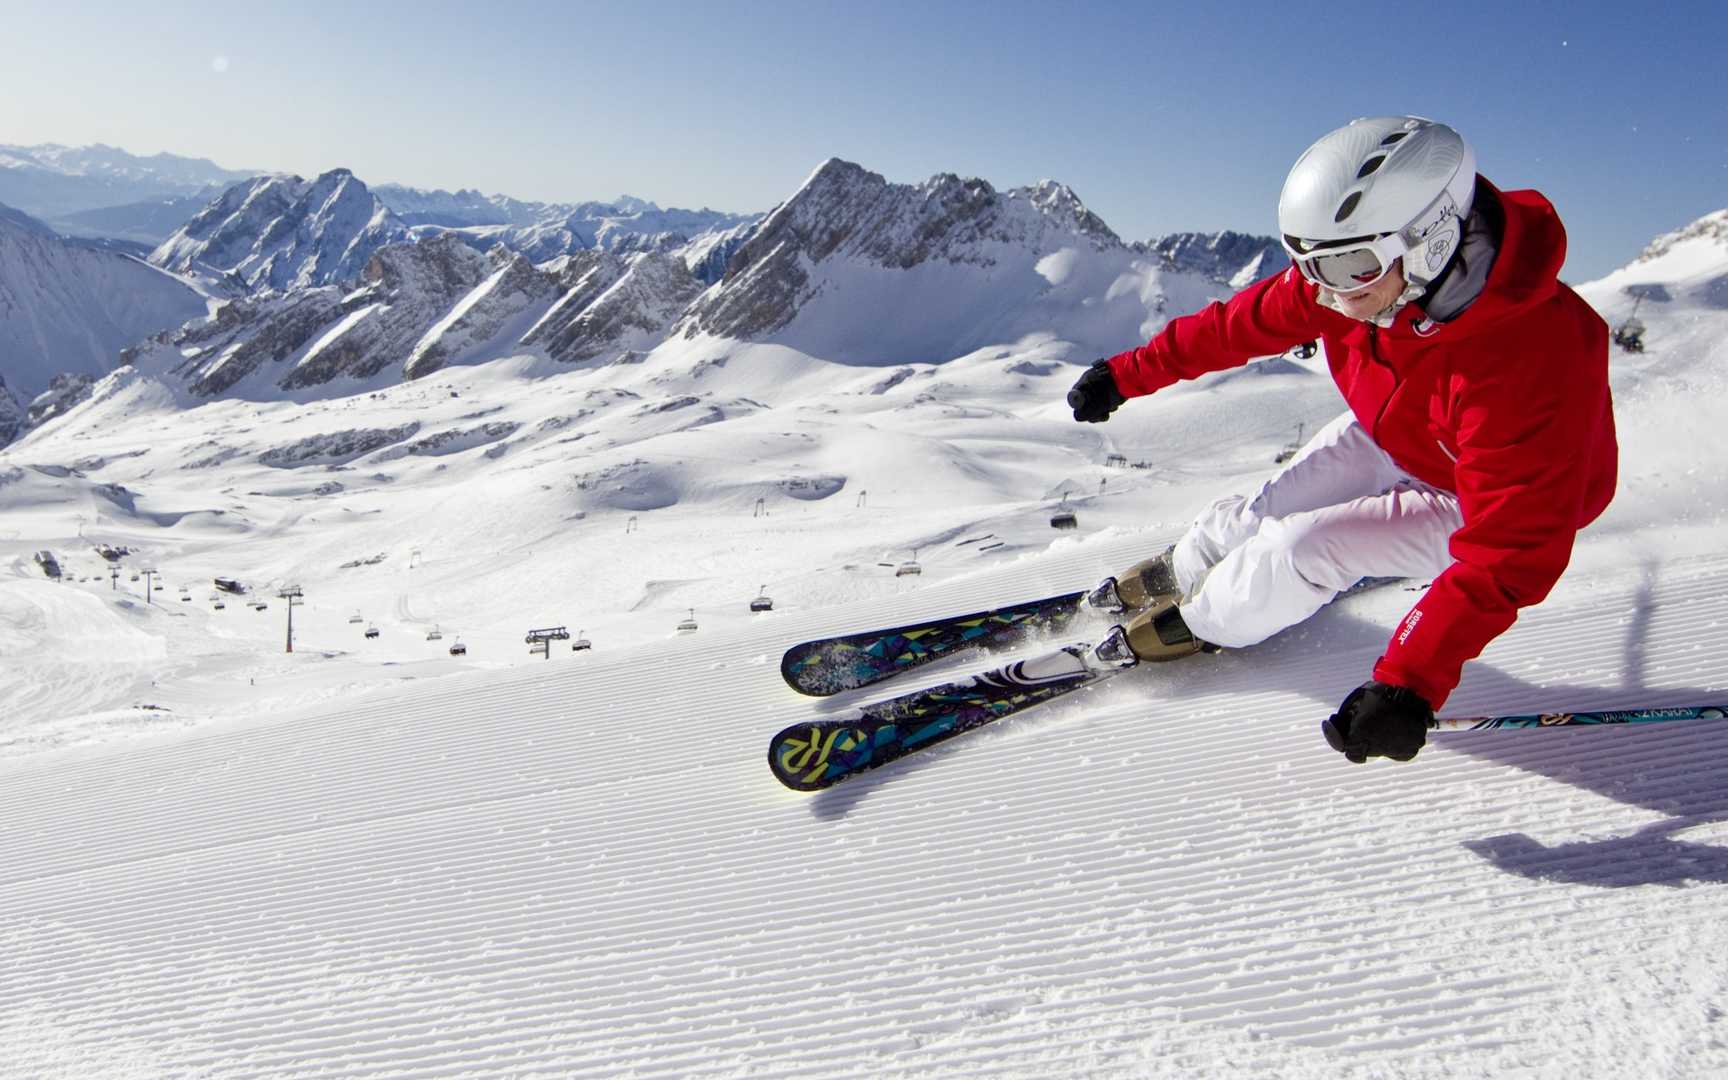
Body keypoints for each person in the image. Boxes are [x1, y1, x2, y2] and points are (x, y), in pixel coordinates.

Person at [1066, 116, 1617, 765]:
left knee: (1306, 546)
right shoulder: (1356, 281)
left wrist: (1409, 683)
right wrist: (1127, 375)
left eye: (1347, 267)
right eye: (1306, 261)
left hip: (1477, 500)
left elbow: (1508, 556)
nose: (1322, 290)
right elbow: (1237, 326)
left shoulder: (1530, 361)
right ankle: (1185, 567)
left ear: (1432, 241)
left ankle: (1202, 622)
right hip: (1398, 434)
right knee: (1264, 510)